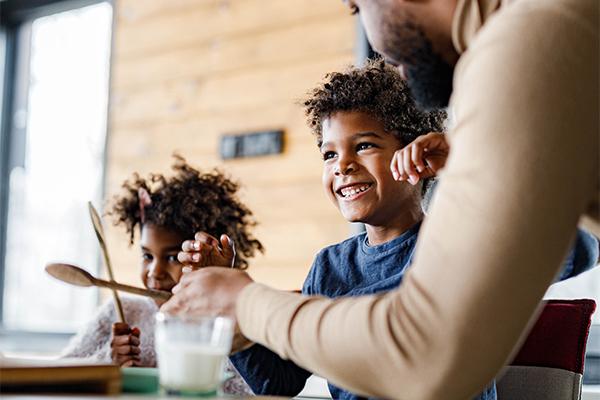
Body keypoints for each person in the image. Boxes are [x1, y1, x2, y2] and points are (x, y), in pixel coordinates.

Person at [162, 0, 599, 398]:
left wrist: (244, 299)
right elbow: (278, 381)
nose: (342, 165)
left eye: (365, 146)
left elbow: (580, 247)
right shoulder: (330, 267)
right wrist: (230, 312)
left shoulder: (453, 239)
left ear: (413, 156)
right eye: (329, 154)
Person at [61, 156, 262, 395]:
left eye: (172, 257)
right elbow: (58, 376)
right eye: (147, 256)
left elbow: (250, 390)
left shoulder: (226, 327)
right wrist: (108, 363)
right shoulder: (120, 313)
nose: (154, 272)